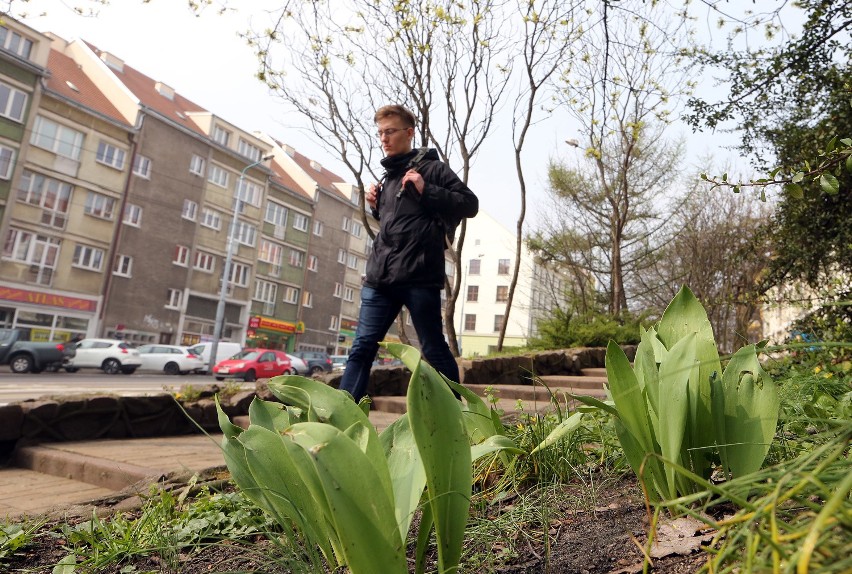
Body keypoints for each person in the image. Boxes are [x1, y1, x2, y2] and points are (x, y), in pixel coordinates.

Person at [338, 104, 479, 401]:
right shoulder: (389, 179)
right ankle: (341, 423)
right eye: (380, 133)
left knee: (432, 347)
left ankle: (458, 414)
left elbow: (470, 204)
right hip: (381, 278)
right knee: (362, 346)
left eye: (390, 131)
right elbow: (396, 225)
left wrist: (426, 188)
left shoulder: (433, 169)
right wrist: (376, 207)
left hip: (419, 275)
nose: (384, 139)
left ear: (409, 133)